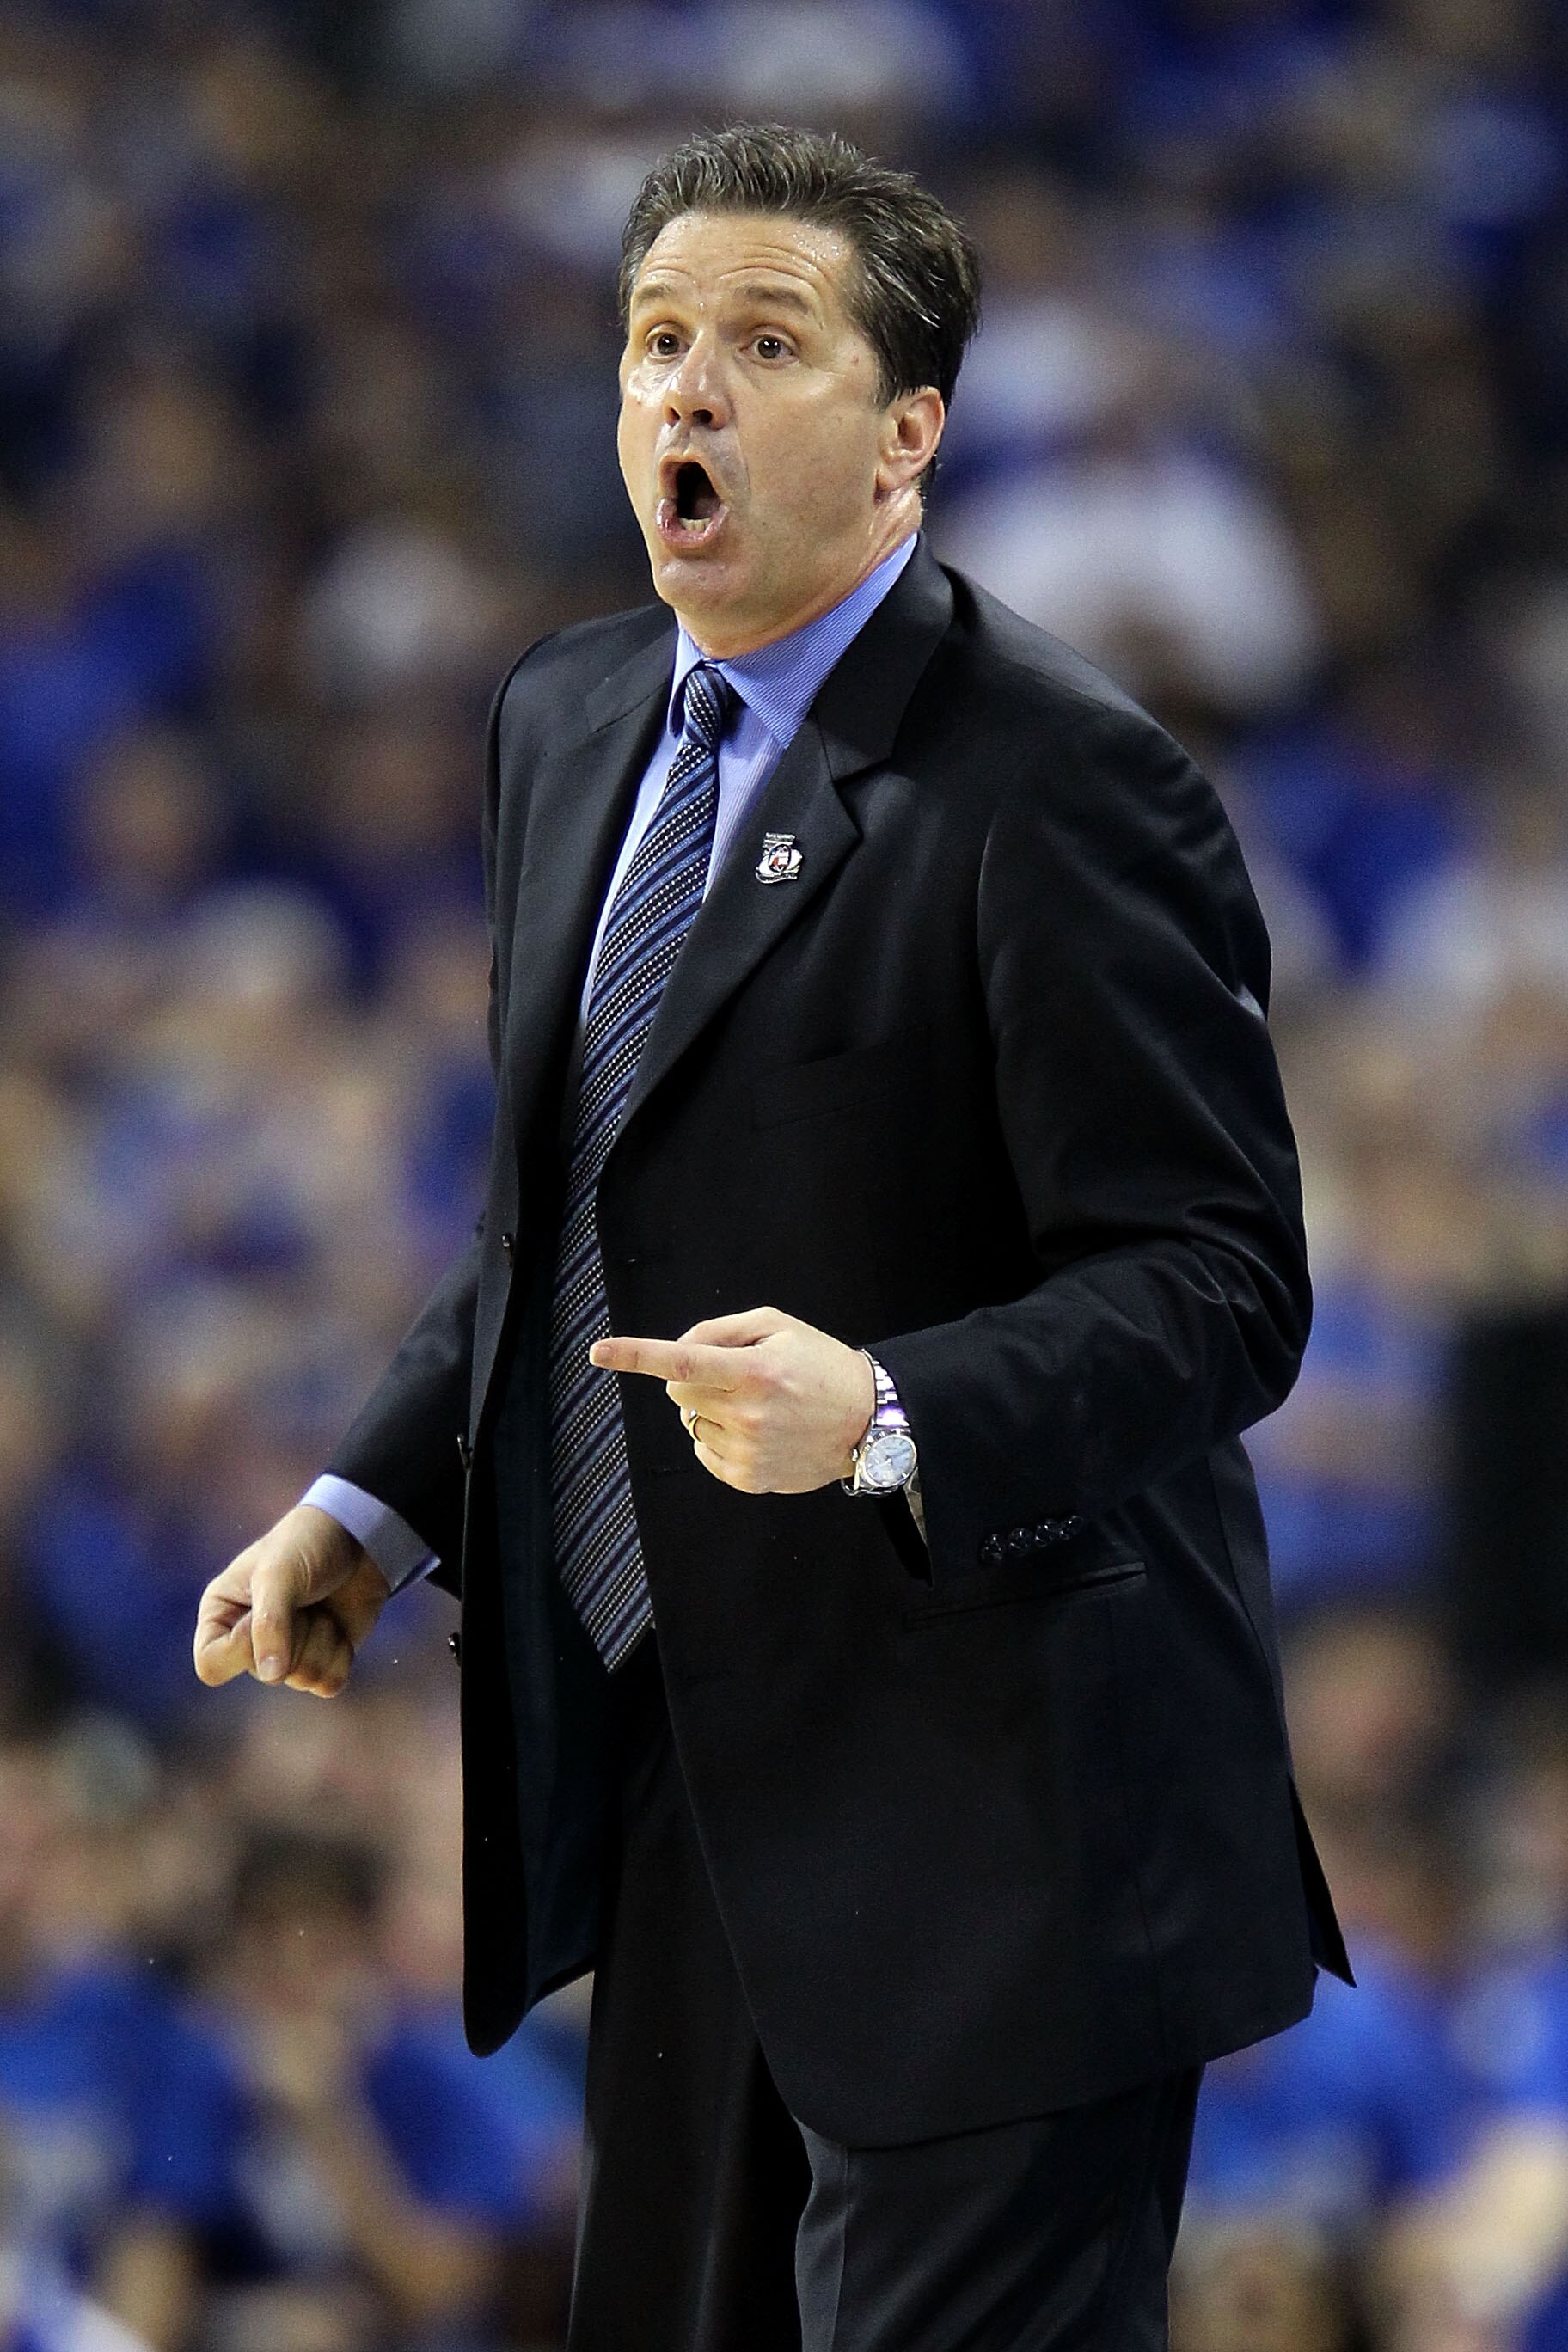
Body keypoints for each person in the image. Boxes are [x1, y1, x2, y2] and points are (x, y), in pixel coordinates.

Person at [193, 123, 1351, 2352]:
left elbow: (1221, 1280)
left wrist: (900, 1403)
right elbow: (562, 1207)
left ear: (909, 431)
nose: (684, 393)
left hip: (1015, 1829)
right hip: (693, 1786)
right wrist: (373, 1498)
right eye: (652, 343)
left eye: (762, 342)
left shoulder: (1062, 780)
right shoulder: (566, 717)